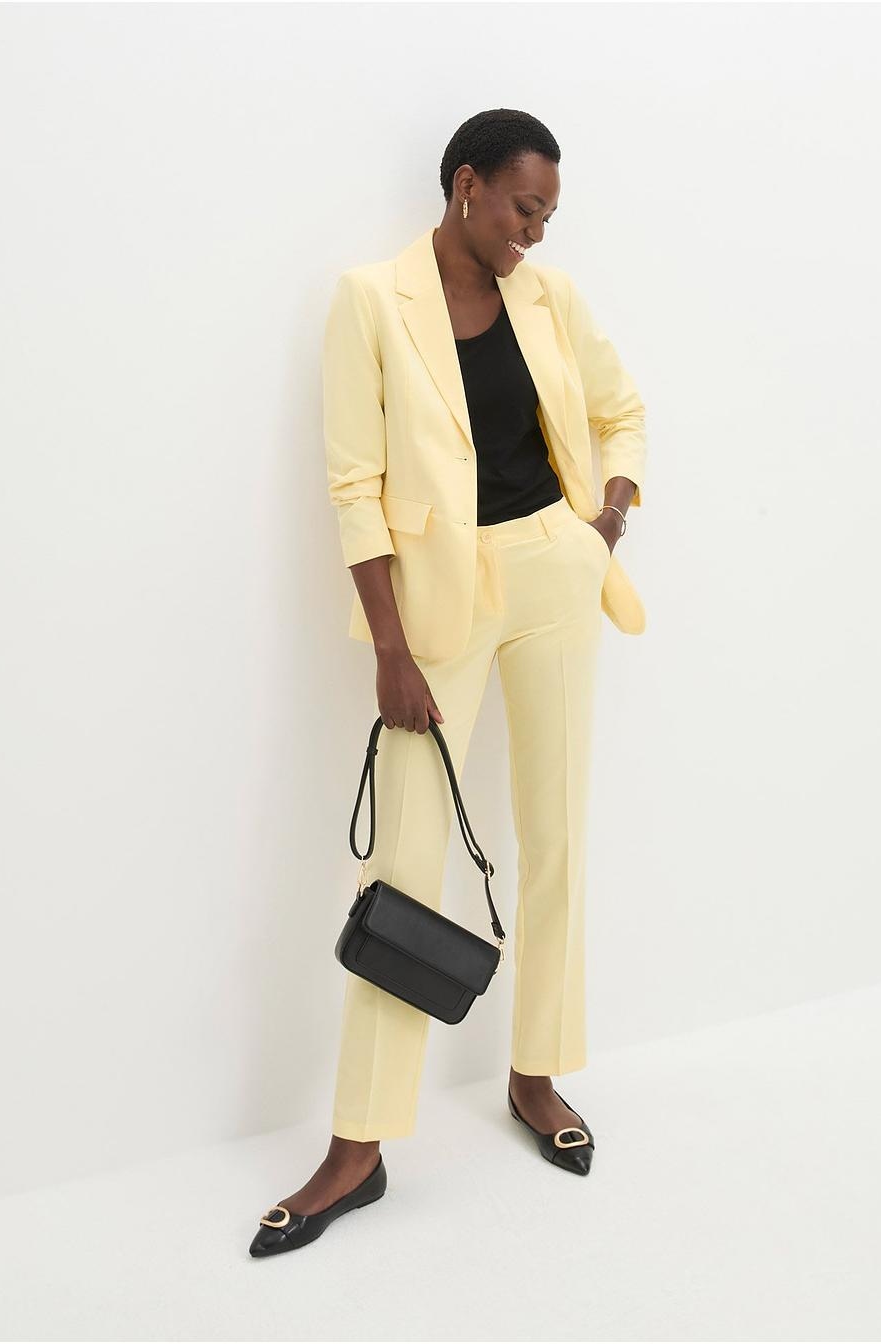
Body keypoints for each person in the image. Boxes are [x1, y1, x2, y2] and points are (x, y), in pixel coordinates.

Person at [250, 108, 647, 1258]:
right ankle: (359, 1145)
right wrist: (389, 648)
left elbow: (620, 411)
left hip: (555, 572)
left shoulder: (549, 297)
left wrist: (606, 521)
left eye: (549, 215)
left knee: (555, 835)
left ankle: (536, 1072)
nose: (536, 232)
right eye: (525, 207)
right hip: (436, 607)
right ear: (467, 185)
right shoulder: (371, 301)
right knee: (404, 867)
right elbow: (353, 484)